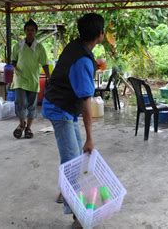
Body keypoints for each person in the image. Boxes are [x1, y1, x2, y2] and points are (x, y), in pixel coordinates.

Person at [42, 13, 104, 226]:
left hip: (62, 107)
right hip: (59, 110)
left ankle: (64, 191)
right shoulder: (83, 61)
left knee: (74, 155)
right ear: (100, 35)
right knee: (73, 161)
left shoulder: (76, 47)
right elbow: (86, 104)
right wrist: (90, 138)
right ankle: (80, 215)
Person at [11, 19, 50, 139]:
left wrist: (49, 76)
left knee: (32, 106)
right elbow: (13, 61)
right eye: (28, 30)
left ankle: (28, 128)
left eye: (32, 30)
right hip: (20, 79)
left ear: (35, 32)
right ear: (25, 31)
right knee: (21, 103)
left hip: (33, 80)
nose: (30, 32)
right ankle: (22, 124)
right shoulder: (18, 46)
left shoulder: (39, 47)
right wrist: (14, 69)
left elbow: (44, 63)